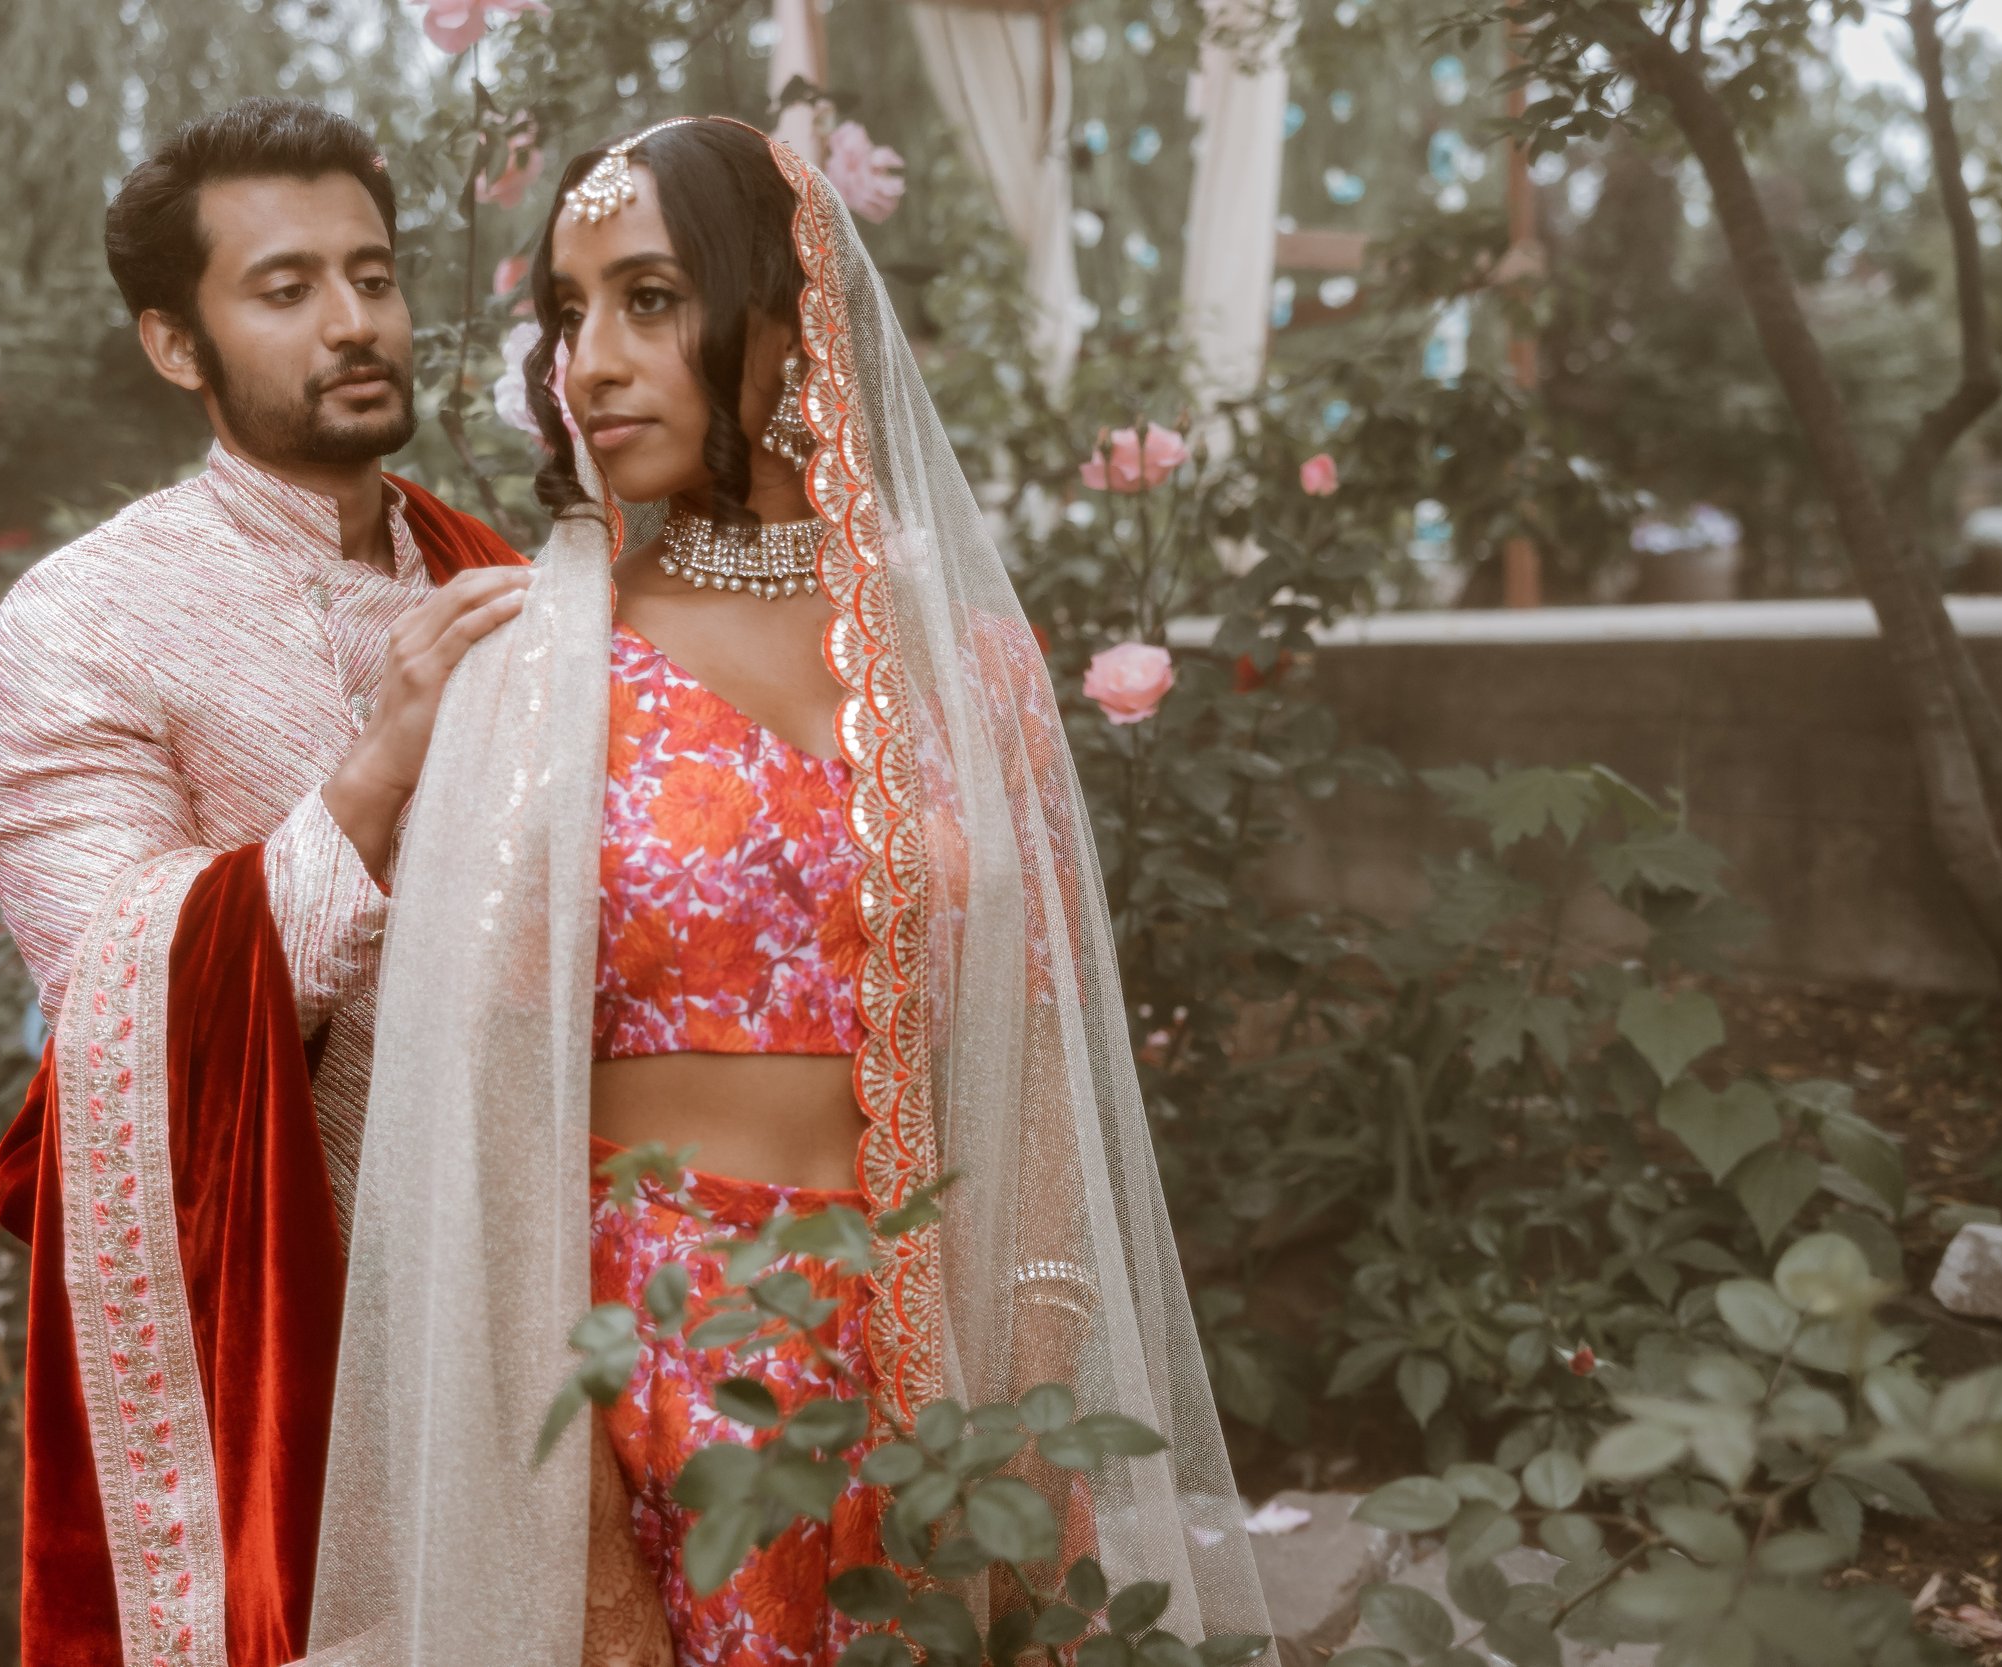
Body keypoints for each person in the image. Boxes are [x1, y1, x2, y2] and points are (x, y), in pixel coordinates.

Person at [306, 118, 1275, 1664]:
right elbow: (480, 1115)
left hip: (936, 1327)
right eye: (568, 313)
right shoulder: (540, 667)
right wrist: (569, 1500)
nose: (592, 364)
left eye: (649, 299)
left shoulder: (965, 667)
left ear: (780, 312)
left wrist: (1026, 1353)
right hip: (669, 1363)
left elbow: (1026, 1030)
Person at [0, 98, 533, 1667]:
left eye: (375, 273)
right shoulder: (78, 625)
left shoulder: (492, 574)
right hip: (301, 1350)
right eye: (285, 290)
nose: (355, 323)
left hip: (558, 1303)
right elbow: (114, 1006)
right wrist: (379, 768)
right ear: (175, 343)